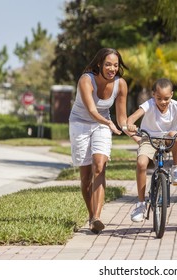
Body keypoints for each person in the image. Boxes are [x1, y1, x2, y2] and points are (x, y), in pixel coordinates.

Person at [69, 48, 129, 234]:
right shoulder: (86, 80)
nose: (112, 68)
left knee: (99, 166)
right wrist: (110, 123)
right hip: (80, 123)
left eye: (115, 65)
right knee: (86, 177)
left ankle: (96, 217)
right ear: (99, 65)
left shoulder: (121, 84)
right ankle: (91, 215)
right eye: (108, 64)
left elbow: (122, 118)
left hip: (103, 124)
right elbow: (92, 111)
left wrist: (130, 130)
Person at [125, 78, 177, 222]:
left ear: (171, 95)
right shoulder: (149, 104)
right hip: (149, 139)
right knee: (141, 164)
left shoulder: (176, 106)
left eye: (166, 98)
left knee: (175, 134)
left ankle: (176, 167)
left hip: (168, 139)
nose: (163, 102)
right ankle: (141, 204)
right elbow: (132, 118)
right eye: (159, 98)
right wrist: (130, 125)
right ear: (153, 94)